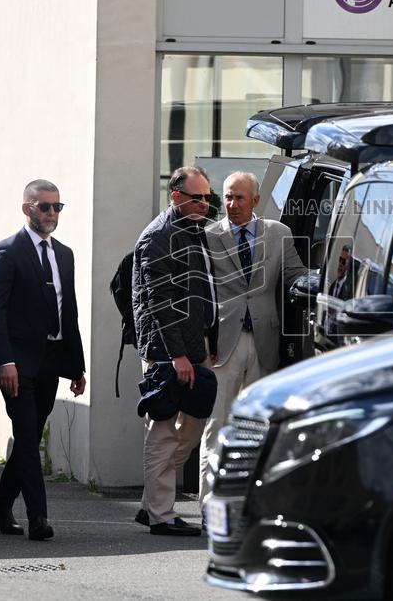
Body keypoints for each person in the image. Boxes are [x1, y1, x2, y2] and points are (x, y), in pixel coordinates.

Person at [0, 179, 86, 541]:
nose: (52, 213)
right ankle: (38, 518)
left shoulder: (65, 254)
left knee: (28, 436)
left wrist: (76, 365)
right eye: (45, 207)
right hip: (16, 362)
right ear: (27, 208)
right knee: (27, 436)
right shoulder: (7, 251)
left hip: (51, 360)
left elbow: (67, 311)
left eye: (57, 207)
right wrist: (4, 360)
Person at [199, 172, 307, 502]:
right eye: (228, 197)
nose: (231, 204)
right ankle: (208, 501)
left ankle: (249, 502)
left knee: (258, 425)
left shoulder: (279, 233)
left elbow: (296, 276)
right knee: (217, 423)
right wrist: (203, 340)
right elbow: (200, 291)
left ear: (256, 201)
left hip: (264, 339)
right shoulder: (208, 236)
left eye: (239, 198)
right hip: (223, 342)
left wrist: (334, 276)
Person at [132, 166, 217, 536]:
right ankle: (162, 516)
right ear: (176, 196)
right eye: (196, 197)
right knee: (163, 431)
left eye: (207, 197)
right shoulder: (158, 237)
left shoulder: (195, 231)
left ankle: (152, 502)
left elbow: (203, 294)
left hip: (193, 346)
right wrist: (178, 356)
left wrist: (205, 344)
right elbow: (160, 303)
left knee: (194, 421)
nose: (203, 204)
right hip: (166, 350)